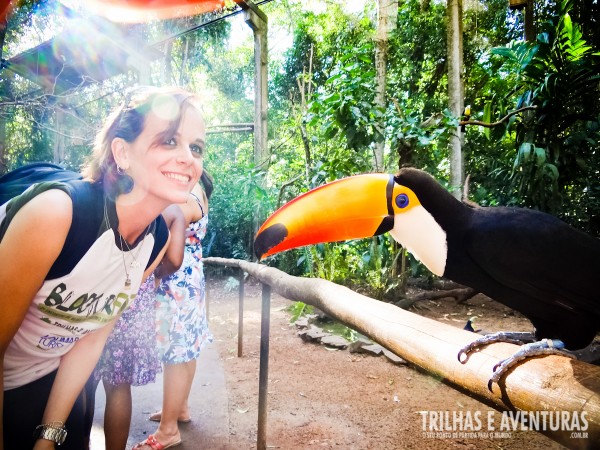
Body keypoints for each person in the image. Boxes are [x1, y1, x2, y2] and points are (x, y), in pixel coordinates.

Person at [0, 85, 206, 450]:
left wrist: (47, 437)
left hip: (51, 374)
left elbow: (92, 336)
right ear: (122, 152)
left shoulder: (154, 240)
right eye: (169, 141)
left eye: (196, 147)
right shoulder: (57, 213)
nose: (189, 158)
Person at [93, 204, 186, 450]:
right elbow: (175, 260)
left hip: (93, 288)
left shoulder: (108, 197)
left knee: (82, 382)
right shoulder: (170, 211)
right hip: (132, 294)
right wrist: (148, 275)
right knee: (118, 384)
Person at [133, 171, 213, 450]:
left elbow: (167, 247)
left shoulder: (182, 202)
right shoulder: (197, 193)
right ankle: (180, 409)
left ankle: (168, 430)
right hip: (190, 281)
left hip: (174, 284)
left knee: (175, 353)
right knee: (185, 349)